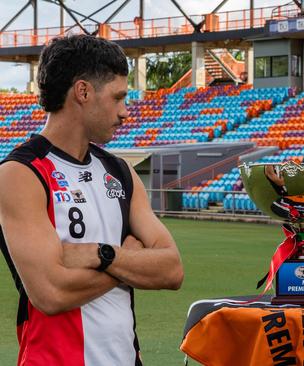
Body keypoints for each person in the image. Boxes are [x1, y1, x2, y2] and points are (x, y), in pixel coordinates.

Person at [0, 34, 184, 365]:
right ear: (83, 92)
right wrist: (130, 261)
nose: (125, 112)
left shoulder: (120, 172)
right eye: (118, 98)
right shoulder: (20, 173)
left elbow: (171, 269)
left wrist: (101, 254)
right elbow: (51, 293)